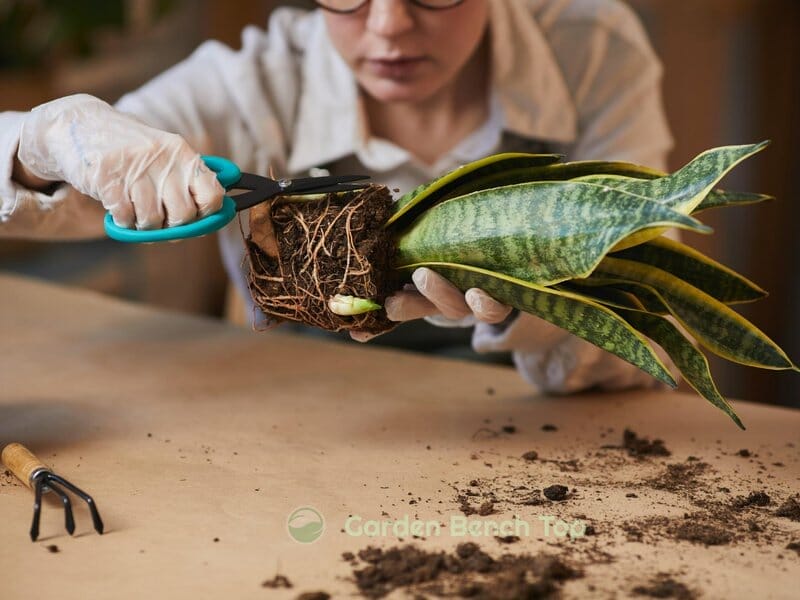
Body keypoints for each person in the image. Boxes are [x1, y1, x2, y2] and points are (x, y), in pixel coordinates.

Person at [0, 0, 675, 393]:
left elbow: (653, 320)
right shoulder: (255, 83)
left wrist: (535, 312)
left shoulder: (591, 51)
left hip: (542, 424)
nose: (387, 26)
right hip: (301, 415)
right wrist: (45, 141)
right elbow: (81, 195)